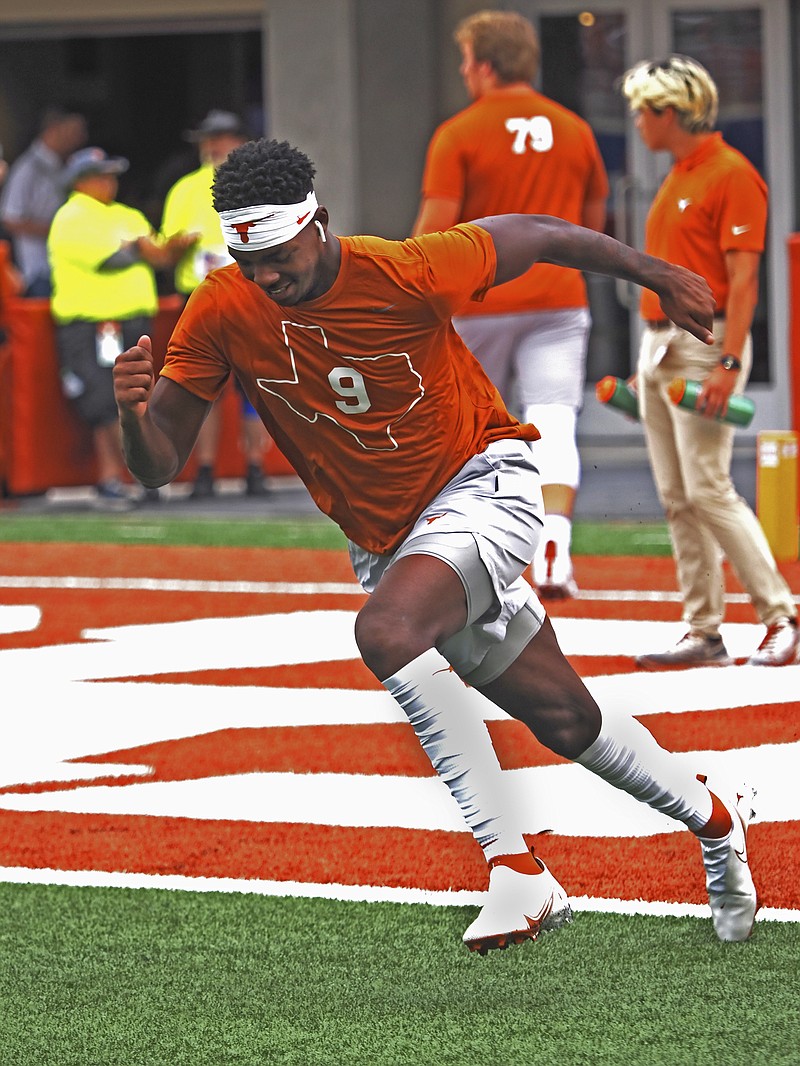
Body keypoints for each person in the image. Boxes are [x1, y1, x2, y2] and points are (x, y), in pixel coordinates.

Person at [113, 137, 758, 951]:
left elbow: (536, 231)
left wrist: (657, 274)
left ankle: (515, 870)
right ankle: (715, 818)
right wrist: (134, 420)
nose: (266, 277)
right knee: (565, 719)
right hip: (390, 539)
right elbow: (159, 466)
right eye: (251, 263)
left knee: (385, 631)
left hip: (482, 482)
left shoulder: (406, 268)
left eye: (278, 256)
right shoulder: (219, 307)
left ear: (317, 223)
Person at [412, 10, 609, 598]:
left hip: (481, 300)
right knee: (553, 420)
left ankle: (461, 556)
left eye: (467, 60)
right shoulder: (575, 129)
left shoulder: (460, 132)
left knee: (464, 431)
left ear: (486, 64)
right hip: (558, 298)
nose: (465, 71)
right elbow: (592, 228)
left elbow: (432, 234)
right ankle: (554, 550)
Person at [620, 55, 799, 669]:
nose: (637, 123)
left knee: (707, 486)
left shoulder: (731, 174)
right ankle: (704, 630)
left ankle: (783, 615)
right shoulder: (677, 176)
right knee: (676, 494)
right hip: (661, 343)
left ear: (669, 112)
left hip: (704, 342)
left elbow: (746, 282)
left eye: (642, 111)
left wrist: (728, 362)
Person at [48, 147, 193, 508]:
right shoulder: (71, 215)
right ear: (80, 182)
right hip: (94, 323)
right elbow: (113, 258)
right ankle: (111, 477)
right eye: (100, 175)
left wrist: (159, 247)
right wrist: (143, 247)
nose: (109, 181)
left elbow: (157, 254)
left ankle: (143, 477)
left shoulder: (126, 214)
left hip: (131, 321)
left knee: (140, 399)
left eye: (111, 174)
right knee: (102, 401)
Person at [161, 109, 272, 499]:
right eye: (208, 139)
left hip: (248, 291)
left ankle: (256, 469)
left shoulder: (257, 181)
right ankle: (205, 471)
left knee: (254, 386)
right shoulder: (186, 188)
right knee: (201, 386)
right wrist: (178, 246)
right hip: (200, 294)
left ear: (239, 141)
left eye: (222, 138)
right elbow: (167, 245)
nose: (214, 146)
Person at [0, 108, 88, 296]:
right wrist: (57, 231)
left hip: (70, 268)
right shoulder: (27, 169)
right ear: (54, 129)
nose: (80, 138)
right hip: (39, 271)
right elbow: (10, 218)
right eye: (74, 131)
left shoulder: (65, 165)